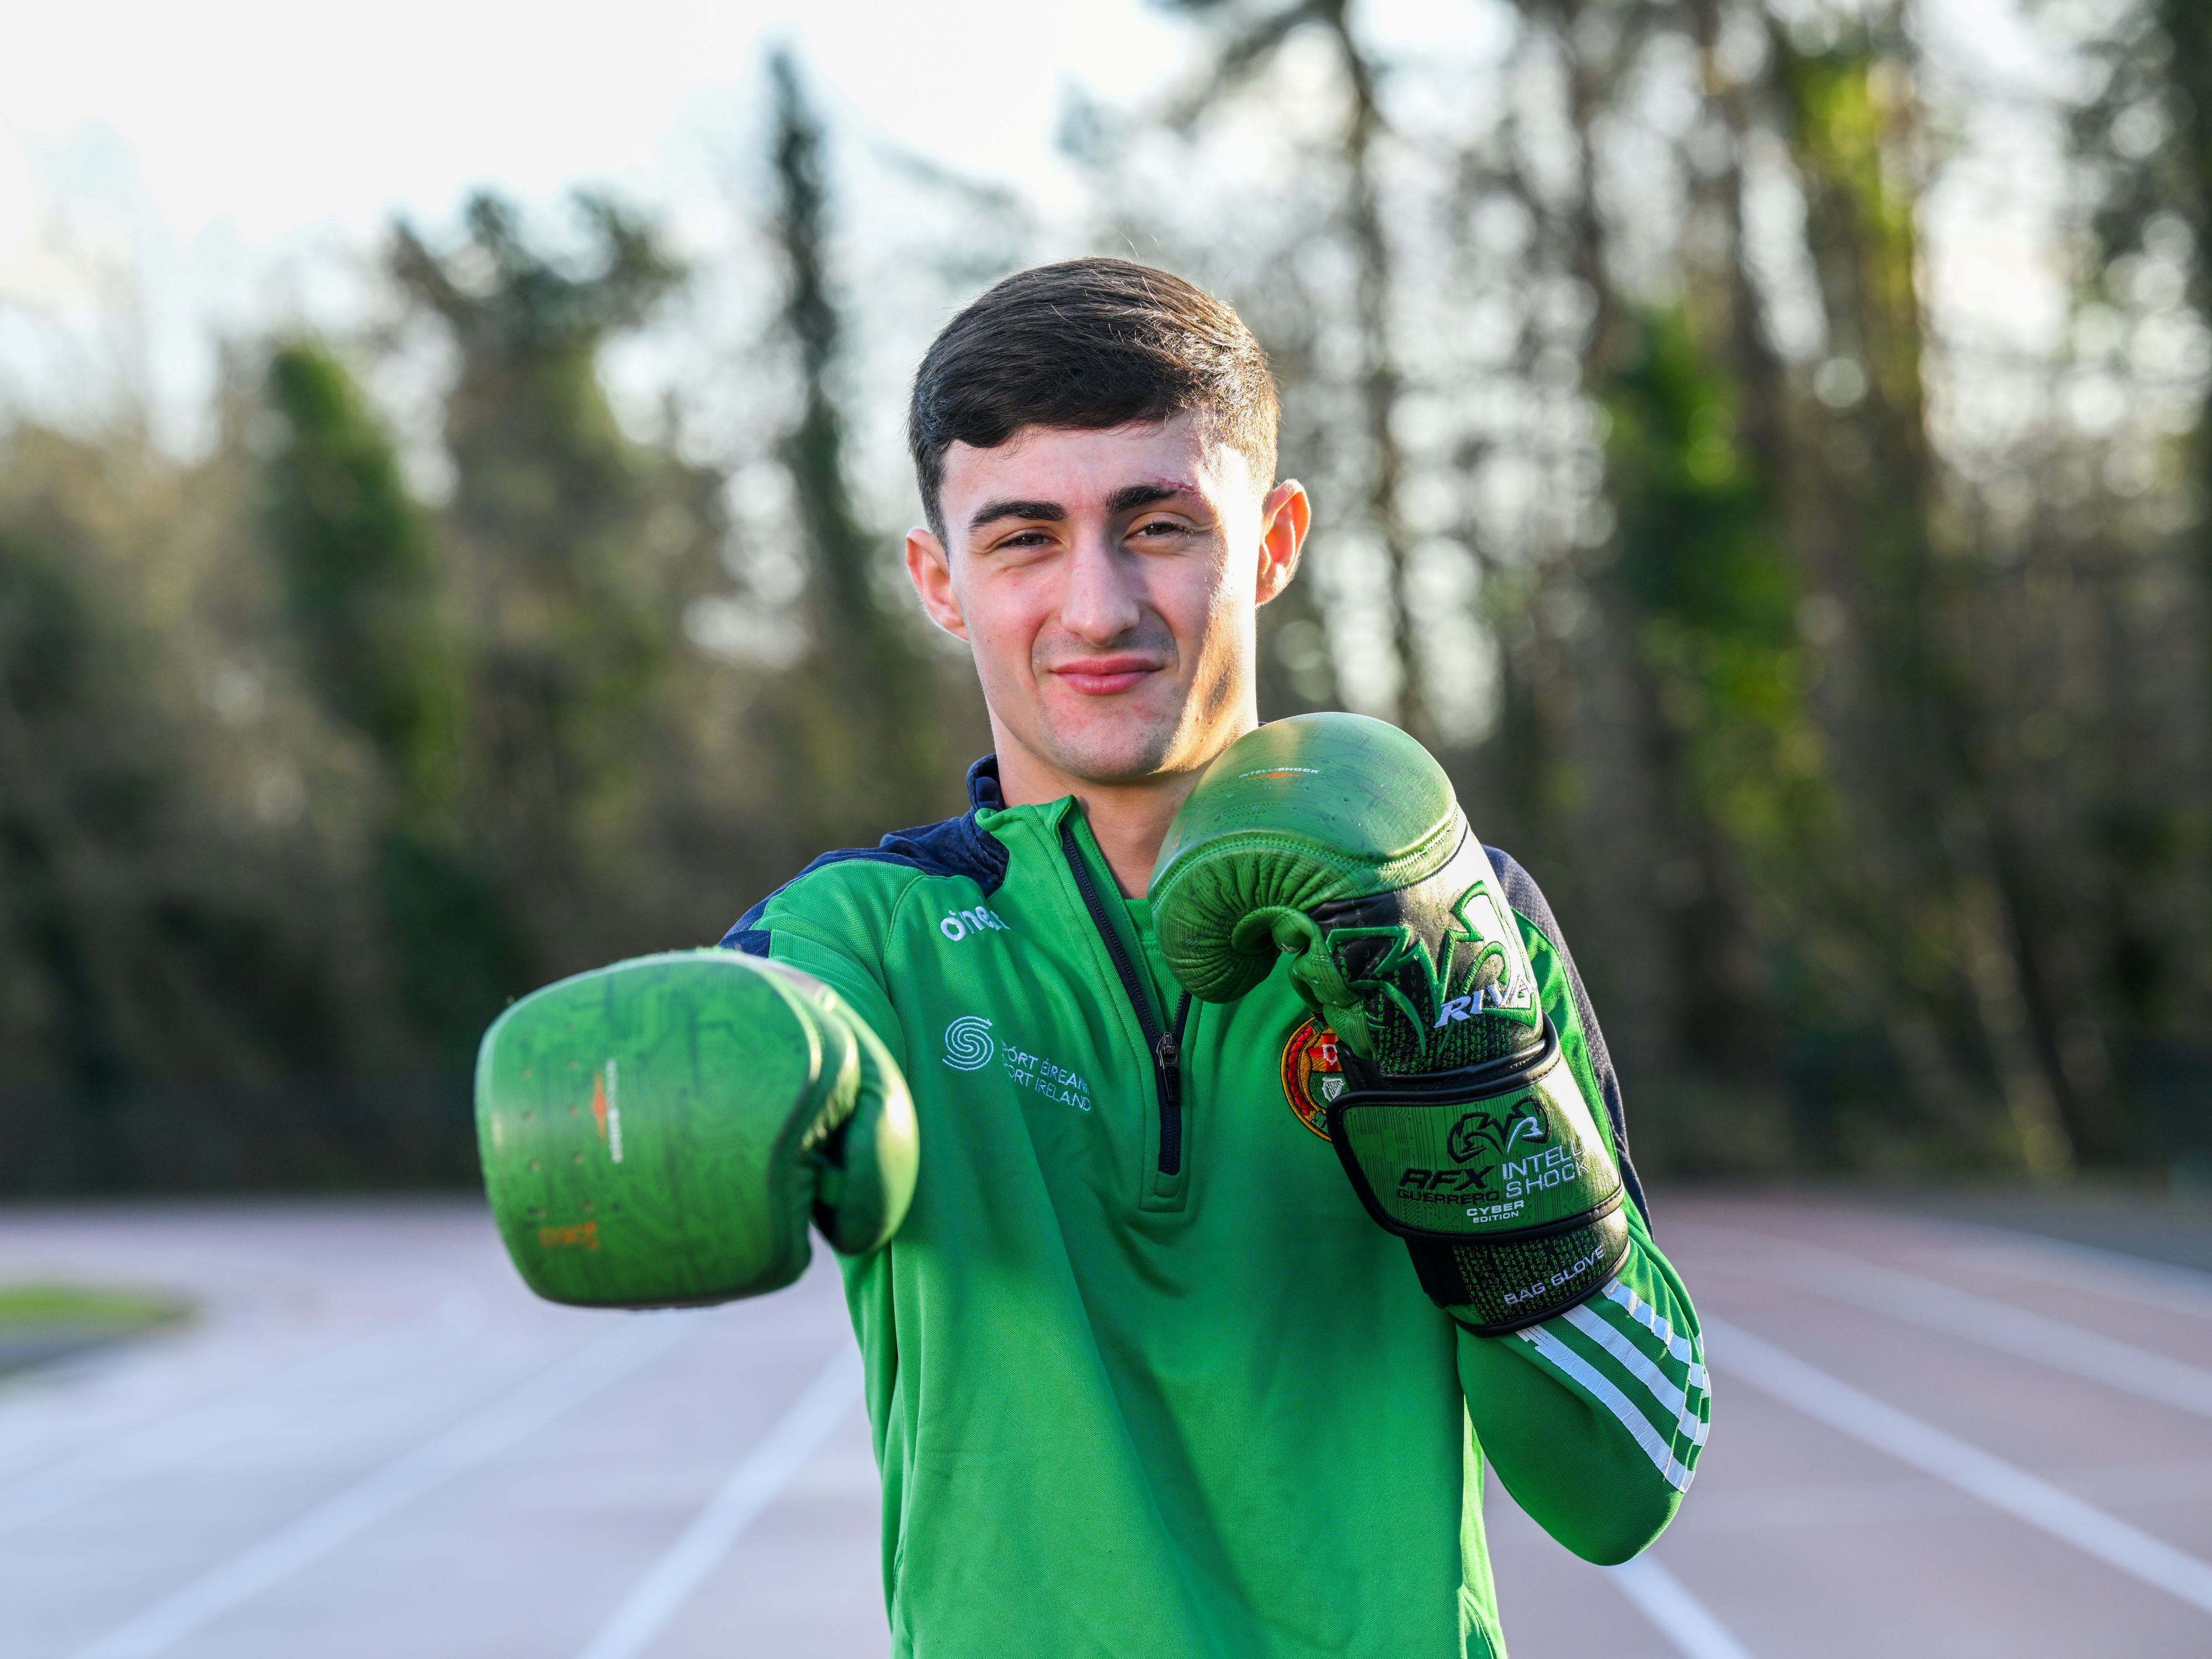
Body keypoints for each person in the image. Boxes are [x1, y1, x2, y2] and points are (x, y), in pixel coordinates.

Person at [474, 258, 1707, 1659]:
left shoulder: (1453, 915)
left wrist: (1482, 1113)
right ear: (938, 582)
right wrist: (688, 1093)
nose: (1099, 606)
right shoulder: (857, 940)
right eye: (1022, 542)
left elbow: (1625, 1486)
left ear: (1274, 539)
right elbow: (678, 1080)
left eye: (1157, 524)